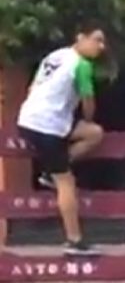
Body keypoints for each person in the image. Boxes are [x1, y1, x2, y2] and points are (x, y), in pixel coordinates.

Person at [16, 22, 107, 257]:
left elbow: (32, 88)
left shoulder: (55, 55)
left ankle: (50, 172)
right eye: (96, 40)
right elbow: (88, 102)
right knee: (66, 182)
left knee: (93, 134)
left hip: (28, 118)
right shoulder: (82, 65)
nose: (101, 46)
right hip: (48, 126)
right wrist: (87, 117)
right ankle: (74, 241)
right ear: (80, 37)